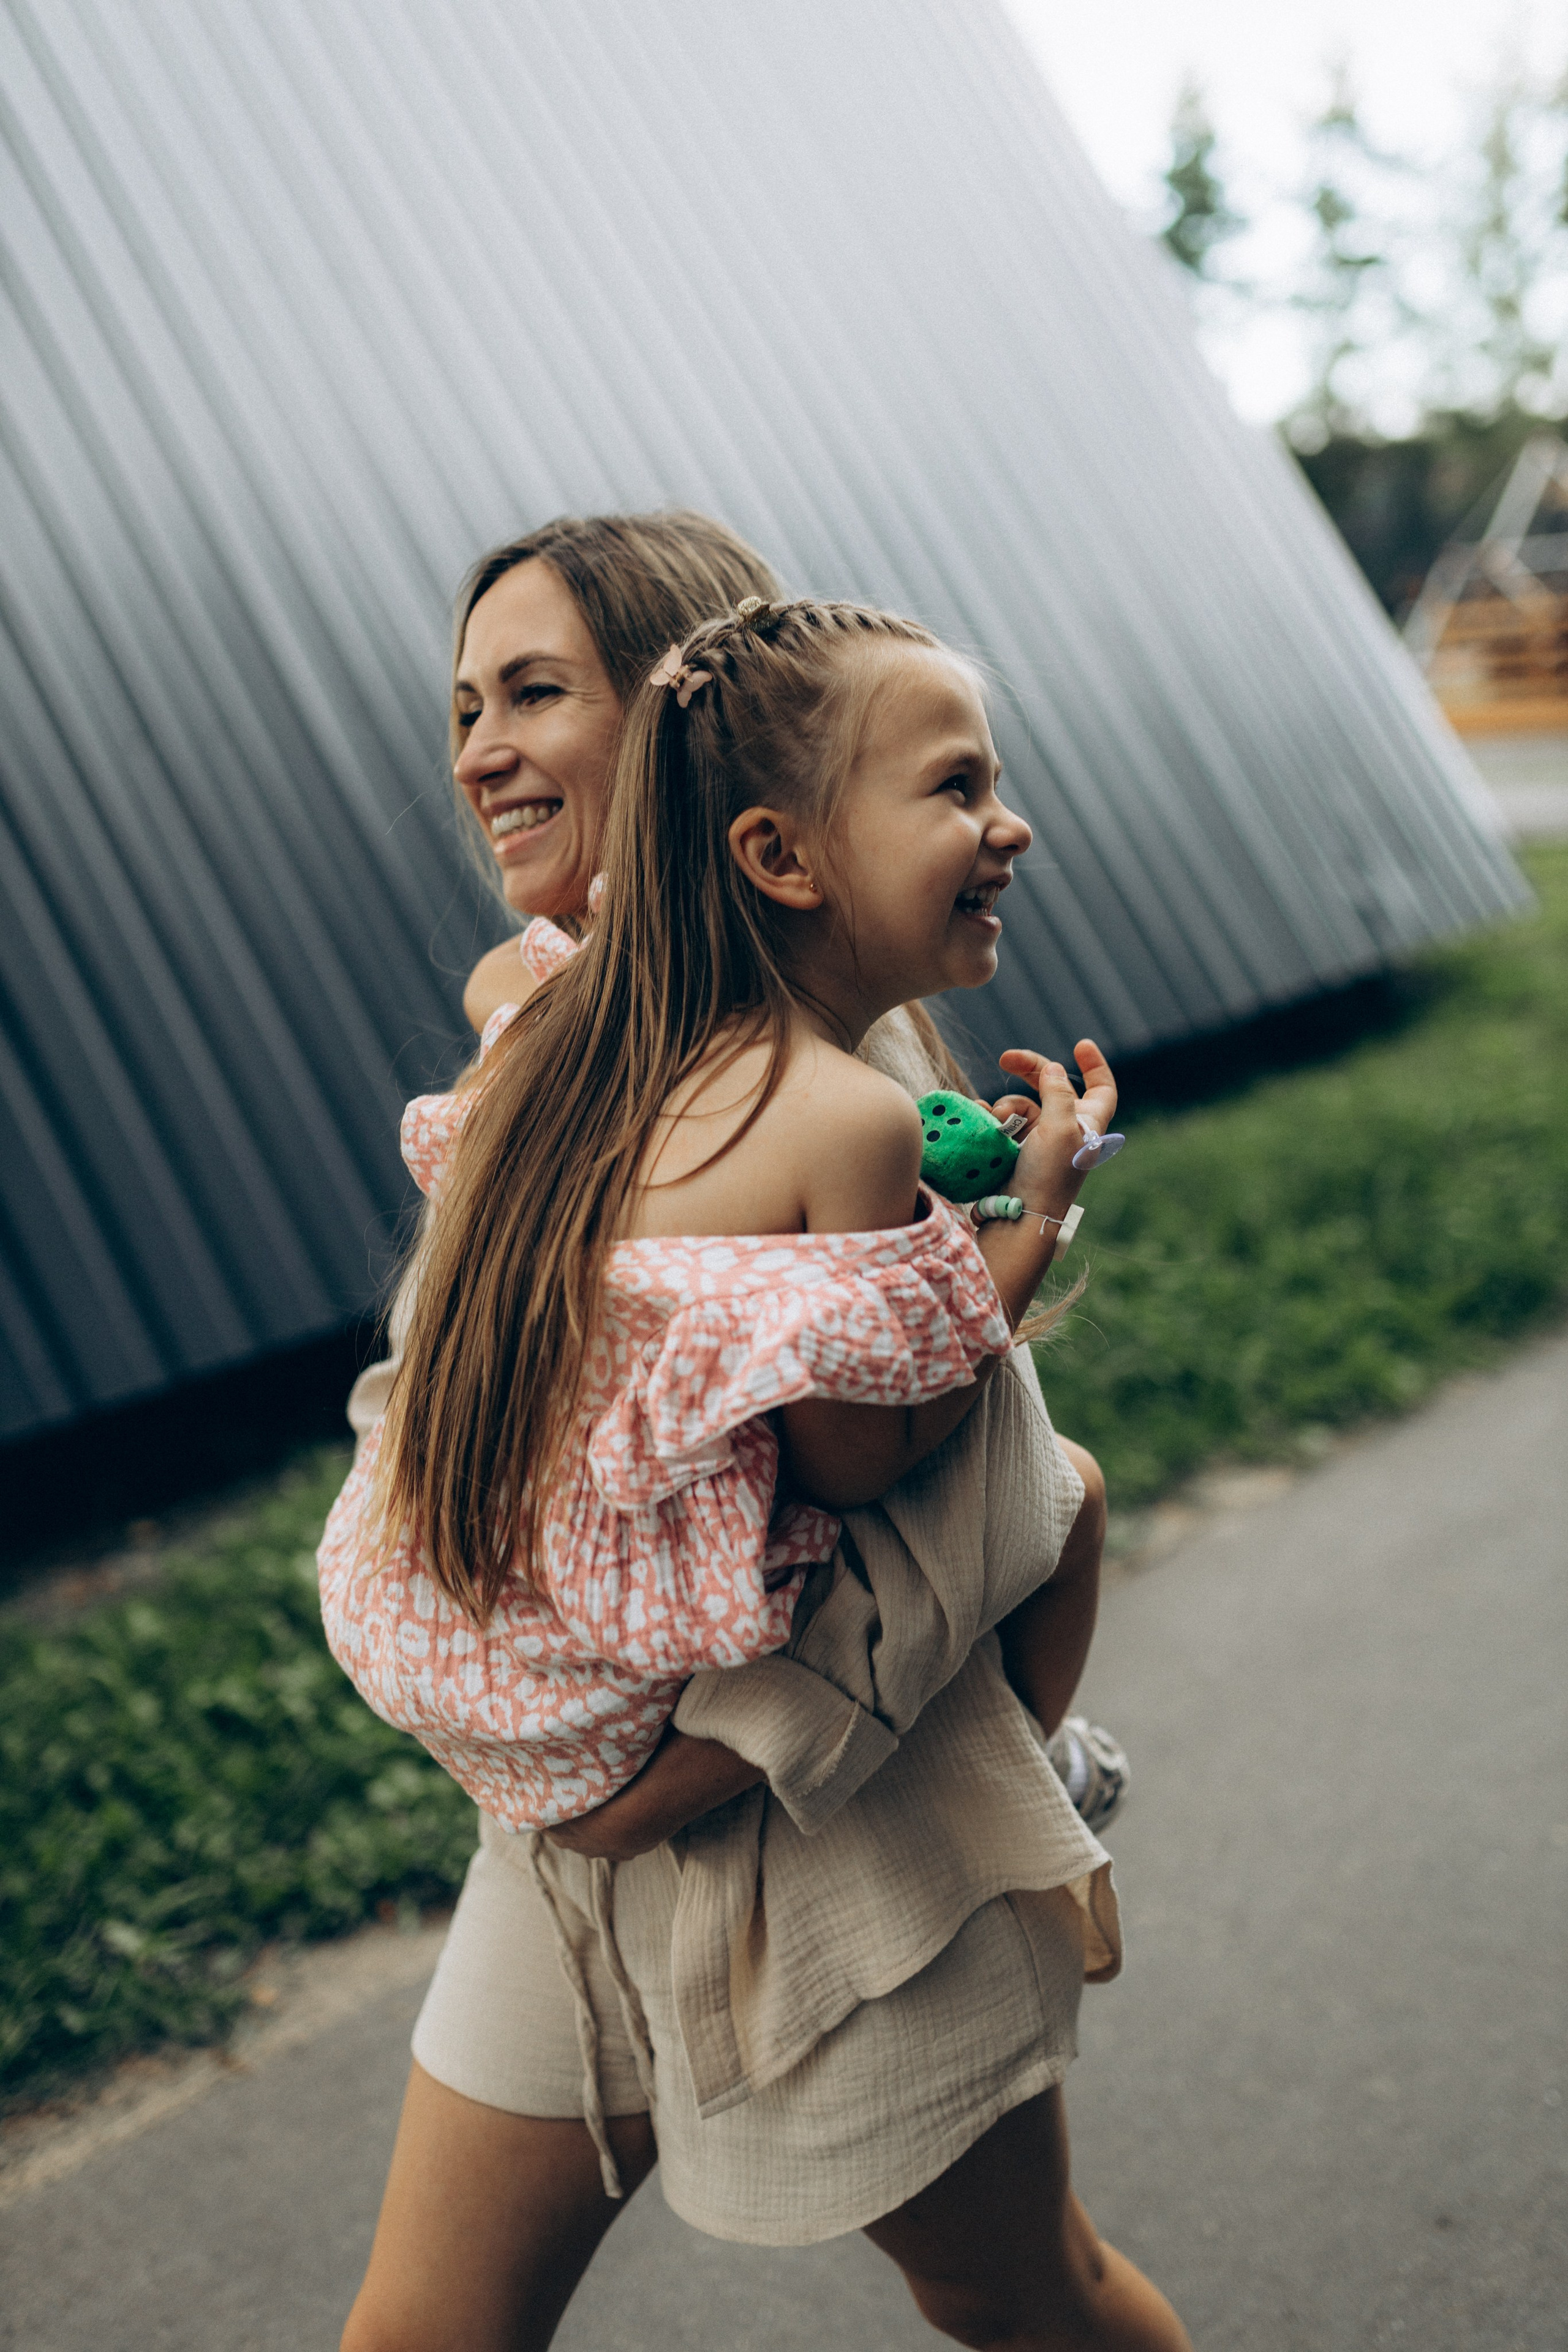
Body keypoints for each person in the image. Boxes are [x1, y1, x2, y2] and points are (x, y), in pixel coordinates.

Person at [339, 532, 1183, 2351]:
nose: (482, 748)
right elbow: (426, 1411)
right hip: (565, 1859)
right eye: (465, 704)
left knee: (1032, 2308)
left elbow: (984, 1517)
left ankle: (1049, 1780)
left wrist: (666, 1781)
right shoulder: (542, 1053)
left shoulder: (850, 1116)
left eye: (539, 692)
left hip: (838, 1857)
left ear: (697, 751)